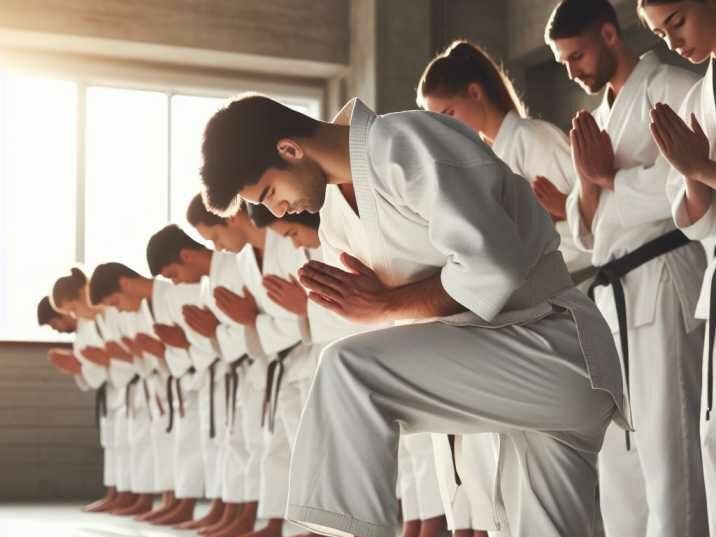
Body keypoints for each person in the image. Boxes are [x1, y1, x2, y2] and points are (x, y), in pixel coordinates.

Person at [198, 92, 628, 537]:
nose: (277, 210)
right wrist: (376, 306)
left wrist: (385, 302)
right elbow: (380, 317)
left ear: (289, 149)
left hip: (547, 343)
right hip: (501, 374)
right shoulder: (335, 221)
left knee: (348, 371)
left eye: (270, 193)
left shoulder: (408, 143)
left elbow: (492, 267)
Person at [545, 1, 708, 536]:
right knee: (619, 451)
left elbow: (684, 190)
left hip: (661, 277)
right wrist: (590, 181)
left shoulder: (671, 84)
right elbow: (586, 229)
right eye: (563, 62)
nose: (572, 71)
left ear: (610, 34)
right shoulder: (601, 115)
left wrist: (608, 179)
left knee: (669, 445)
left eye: (577, 55)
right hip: (615, 291)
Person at [639, 1, 716, 534]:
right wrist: (691, 174)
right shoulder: (696, 95)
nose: (672, 42)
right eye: (660, 33)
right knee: (711, 441)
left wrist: (700, 166)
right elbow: (696, 218)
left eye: (677, 23)